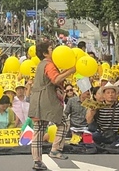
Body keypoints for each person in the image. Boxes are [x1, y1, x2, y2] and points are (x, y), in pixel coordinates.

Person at [29, 41, 77, 171]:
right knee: (64, 122)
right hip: (47, 100)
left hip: (38, 100)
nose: (54, 50)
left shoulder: (41, 64)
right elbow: (55, 79)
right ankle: (55, 149)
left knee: (39, 130)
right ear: (45, 53)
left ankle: (37, 161)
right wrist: (71, 70)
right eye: (51, 49)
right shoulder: (49, 64)